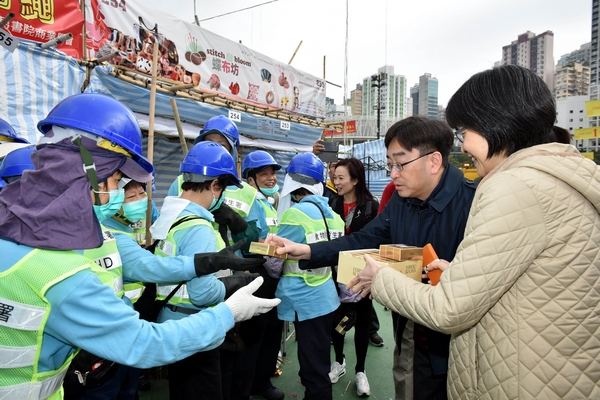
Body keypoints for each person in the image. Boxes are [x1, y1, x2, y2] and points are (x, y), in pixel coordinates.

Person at [0, 93, 279, 400]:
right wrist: (229, 312)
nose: (123, 192)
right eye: (118, 178)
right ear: (91, 173)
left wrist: (204, 263)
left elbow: (140, 266)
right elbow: (145, 344)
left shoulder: (21, 232)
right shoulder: (59, 272)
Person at [349, 65, 600, 399]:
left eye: (465, 131)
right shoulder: (564, 176)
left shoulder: (514, 186)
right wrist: (462, 275)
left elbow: (447, 310)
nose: (463, 145)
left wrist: (379, 277)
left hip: (520, 379)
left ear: (497, 122)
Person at [266, 116, 478, 400]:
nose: (392, 173)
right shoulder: (402, 203)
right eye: (391, 163)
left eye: (400, 164)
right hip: (409, 327)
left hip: (461, 341)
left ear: (434, 161)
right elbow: (361, 239)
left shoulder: (475, 204)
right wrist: (308, 251)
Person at [153, 141, 255, 400]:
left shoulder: (168, 216)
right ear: (214, 186)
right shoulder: (199, 227)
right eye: (222, 189)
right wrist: (237, 283)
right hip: (195, 329)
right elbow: (202, 293)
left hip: (171, 321)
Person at [273, 152, 345, 400]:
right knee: (319, 358)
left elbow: (277, 257)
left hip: (304, 300)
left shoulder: (294, 214)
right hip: (326, 297)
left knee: (313, 368)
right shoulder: (335, 217)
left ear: (293, 187)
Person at [168, 115, 263, 252]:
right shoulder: (182, 182)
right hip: (187, 261)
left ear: (233, 151)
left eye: (221, 144)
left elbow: (251, 244)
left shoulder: (247, 192)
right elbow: (167, 226)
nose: (214, 148)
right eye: (208, 142)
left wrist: (236, 222)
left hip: (231, 266)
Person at [327, 157, 379, 396]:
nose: (336, 182)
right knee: (337, 322)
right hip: (334, 275)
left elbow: (377, 242)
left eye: (341, 178)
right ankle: (339, 361)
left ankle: (360, 370)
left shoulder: (371, 207)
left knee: (363, 321)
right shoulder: (330, 204)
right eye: (334, 177)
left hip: (362, 276)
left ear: (355, 179)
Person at [242, 150, 286, 400]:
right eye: (263, 174)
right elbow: (247, 242)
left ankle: (263, 378)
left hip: (271, 271)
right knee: (255, 334)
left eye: (273, 173)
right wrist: (275, 248)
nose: (271, 178)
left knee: (271, 329)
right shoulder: (249, 203)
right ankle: (251, 385)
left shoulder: (268, 202)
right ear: (251, 179)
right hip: (256, 273)